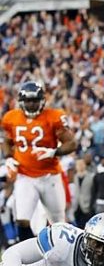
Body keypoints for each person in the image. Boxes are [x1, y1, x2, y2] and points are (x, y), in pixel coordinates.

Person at [1, 81, 77, 242]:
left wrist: (53, 152)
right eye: (28, 100)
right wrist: (8, 158)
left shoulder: (54, 116)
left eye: (35, 100)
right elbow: (6, 141)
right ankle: (29, 258)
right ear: (21, 101)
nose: (31, 104)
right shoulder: (11, 118)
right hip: (25, 176)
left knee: (58, 222)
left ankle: (62, 256)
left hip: (50, 176)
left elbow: (72, 143)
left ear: (42, 100)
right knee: (22, 219)